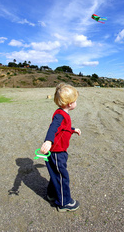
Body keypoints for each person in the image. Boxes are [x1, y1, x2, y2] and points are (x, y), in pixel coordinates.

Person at [41, 83, 81, 212]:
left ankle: (52, 194)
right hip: (57, 152)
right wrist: (48, 140)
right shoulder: (60, 115)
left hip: (58, 152)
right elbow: (53, 127)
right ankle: (64, 203)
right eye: (75, 101)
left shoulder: (62, 113)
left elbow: (63, 128)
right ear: (70, 103)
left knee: (55, 173)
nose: (76, 103)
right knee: (62, 176)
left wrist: (73, 129)